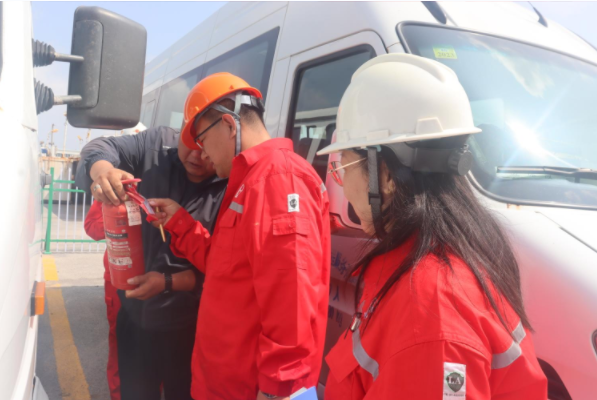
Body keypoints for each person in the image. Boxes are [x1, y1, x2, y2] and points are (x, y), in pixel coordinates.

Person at [316, 53, 548, 399]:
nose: (343, 187)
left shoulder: (430, 314)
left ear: (385, 175)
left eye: (343, 167)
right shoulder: (434, 258)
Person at [150, 72, 331, 400]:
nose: (202, 154)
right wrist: (179, 222)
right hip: (222, 384)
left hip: (244, 390)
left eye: (203, 140)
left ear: (228, 125)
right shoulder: (253, 181)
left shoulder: (277, 180)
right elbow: (226, 267)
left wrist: (277, 391)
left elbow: (290, 303)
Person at [75, 116, 227, 400]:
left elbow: (229, 270)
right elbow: (99, 147)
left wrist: (168, 281)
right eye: (191, 143)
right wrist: (104, 172)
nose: (197, 155)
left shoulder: (231, 184)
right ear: (182, 131)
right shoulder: (156, 144)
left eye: (206, 147)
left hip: (192, 328)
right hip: (136, 319)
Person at [84, 200, 122, 400]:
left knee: (158, 346)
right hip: (120, 280)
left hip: (161, 279)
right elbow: (93, 228)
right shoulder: (115, 190)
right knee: (119, 343)